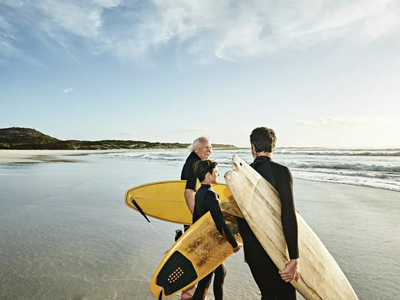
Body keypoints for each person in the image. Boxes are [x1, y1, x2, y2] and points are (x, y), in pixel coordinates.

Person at [237, 127, 300, 300]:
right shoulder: (281, 172)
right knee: (285, 295)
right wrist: (294, 258)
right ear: (274, 146)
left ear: (253, 147)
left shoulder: (243, 174)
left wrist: (247, 250)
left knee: (268, 292)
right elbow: (288, 214)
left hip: (252, 247)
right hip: (274, 247)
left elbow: (241, 214)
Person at [191, 160, 242, 300]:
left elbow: (195, 220)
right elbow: (220, 223)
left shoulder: (199, 193)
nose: (218, 174)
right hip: (210, 244)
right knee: (205, 281)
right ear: (208, 175)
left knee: (221, 272)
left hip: (204, 241)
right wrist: (234, 243)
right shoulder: (210, 195)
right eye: (215, 172)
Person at [179, 137, 212, 300]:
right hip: (193, 219)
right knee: (200, 258)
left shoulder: (192, 162)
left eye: (210, 147)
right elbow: (188, 192)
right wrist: (198, 219)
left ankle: (189, 291)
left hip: (190, 217)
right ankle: (189, 293)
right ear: (196, 149)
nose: (209, 150)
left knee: (195, 256)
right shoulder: (194, 164)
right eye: (206, 147)